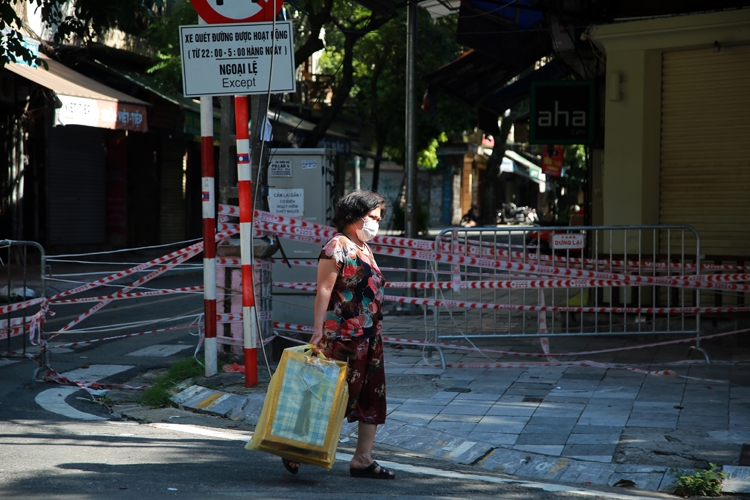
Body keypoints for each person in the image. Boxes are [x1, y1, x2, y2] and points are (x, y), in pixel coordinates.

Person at [282, 190, 395, 479]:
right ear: (353, 216)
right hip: (344, 337)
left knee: (372, 395)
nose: (376, 223)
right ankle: (295, 447)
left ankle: (363, 459)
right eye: (372, 217)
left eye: (378, 218)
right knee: (329, 396)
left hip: (370, 336)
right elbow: (324, 290)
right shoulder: (336, 247)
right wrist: (318, 331)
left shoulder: (364, 248)